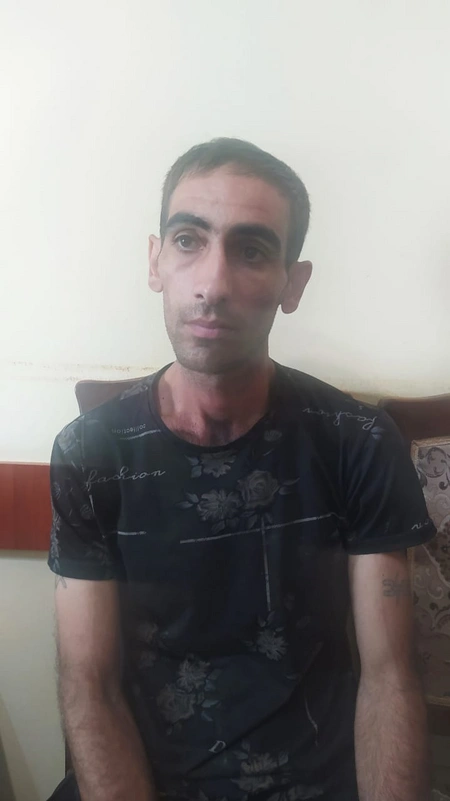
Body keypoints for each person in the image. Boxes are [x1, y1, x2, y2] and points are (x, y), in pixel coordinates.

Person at [48, 137, 435, 801]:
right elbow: (90, 685)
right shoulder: (91, 453)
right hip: (146, 779)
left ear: (293, 284)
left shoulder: (359, 441)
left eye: (252, 250)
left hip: (317, 780)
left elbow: (389, 677)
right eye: (188, 240)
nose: (213, 284)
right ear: (155, 261)